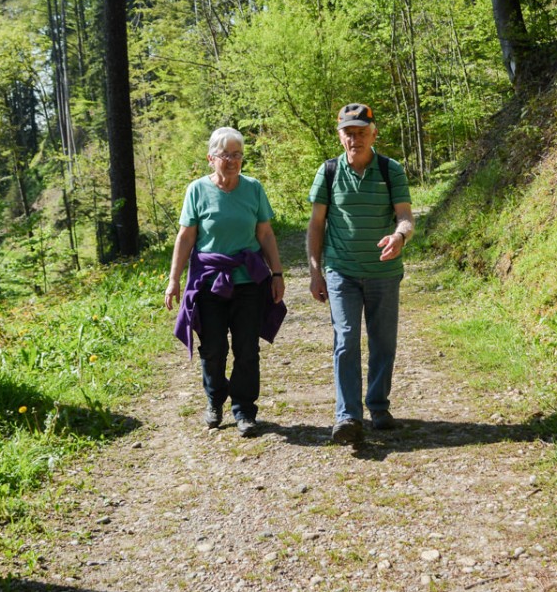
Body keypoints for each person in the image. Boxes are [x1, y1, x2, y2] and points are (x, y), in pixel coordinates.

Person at [165, 127, 287, 437]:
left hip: (248, 281)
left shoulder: (254, 189)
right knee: (214, 348)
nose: (232, 161)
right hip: (208, 283)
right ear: (211, 159)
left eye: (237, 155)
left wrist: (277, 273)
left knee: (247, 347)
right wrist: (174, 280)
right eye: (225, 155)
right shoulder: (196, 190)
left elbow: (265, 234)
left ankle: (245, 409)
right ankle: (214, 401)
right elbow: (186, 236)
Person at [307, 103, 414, 445]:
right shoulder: (327, 172)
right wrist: (315, 271)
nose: (355, 140)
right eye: (349, 133)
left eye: (361, 133)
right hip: (342, 272)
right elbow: (316, 224)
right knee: (346, 339)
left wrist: (399, 237)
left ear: (374, 133)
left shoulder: (390, 169)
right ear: (340, 136)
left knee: (384, 342)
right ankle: (347, 416)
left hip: (384, 272)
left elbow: (406, 217)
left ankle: (378, 408)